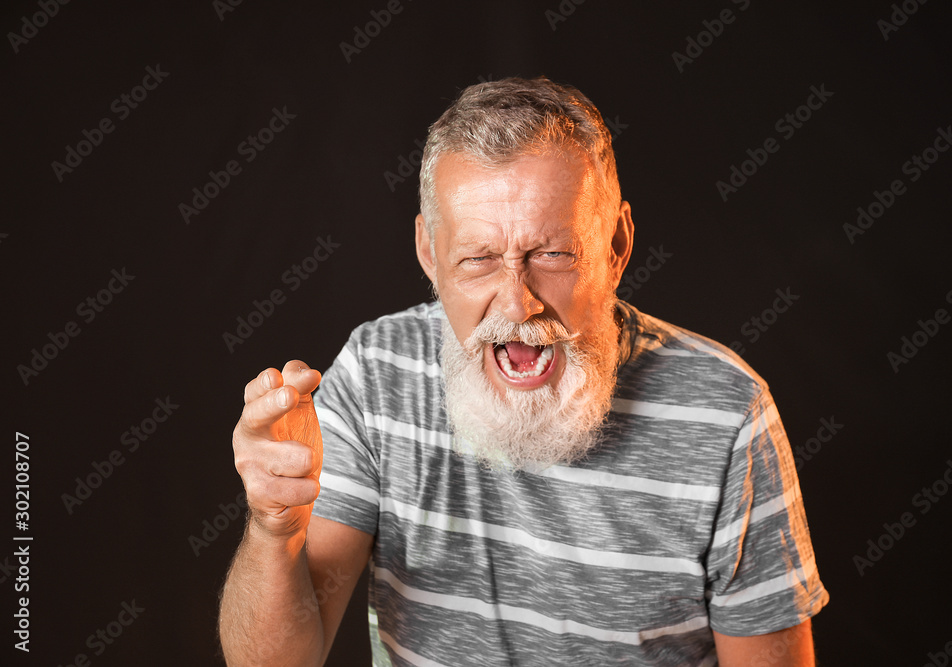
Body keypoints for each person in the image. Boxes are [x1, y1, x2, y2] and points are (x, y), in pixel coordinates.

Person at [219, 77, 829, 666]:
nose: (518, 304)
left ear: (616, 246)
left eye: (554, 254)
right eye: (479, 259)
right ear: (429, 253)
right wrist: (275, 529)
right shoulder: (377, 375)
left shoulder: (725, 412)